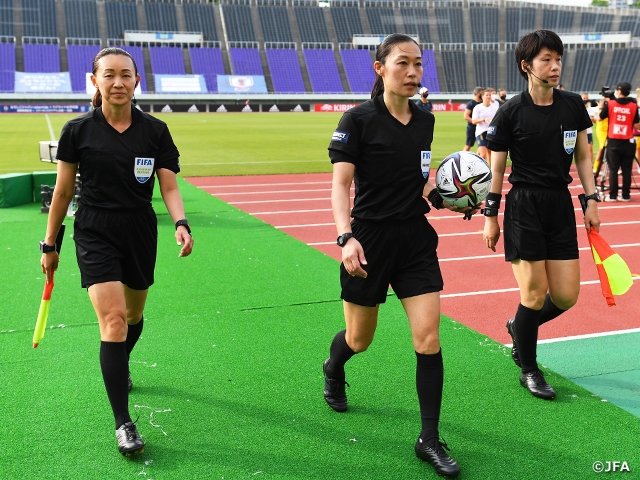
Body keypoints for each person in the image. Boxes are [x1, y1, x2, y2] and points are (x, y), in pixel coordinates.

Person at [323, 33, 476, 478]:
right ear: (380, 68)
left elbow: (422, 179)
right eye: (403, 63)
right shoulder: (357, 120)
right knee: (359, 339)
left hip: (414, 240)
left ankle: (429, 438)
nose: (412, 72)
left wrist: (449, 197)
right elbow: (340, 185)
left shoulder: (425, 120)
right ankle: (334, 366)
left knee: (428, 339)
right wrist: (344, 237)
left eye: (418, 65)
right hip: (368, 242)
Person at [40, 47, 194, 456]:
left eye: (126, 74)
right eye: (109, 75)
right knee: (112, 321)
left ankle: (118, 362)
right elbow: (63, 191)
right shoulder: (77, 131)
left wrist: (180, 223)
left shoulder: (155, 130)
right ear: (95, 81)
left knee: (133, 316)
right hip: (94, 229)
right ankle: (123, 423)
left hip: (139, 228)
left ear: (137, 81)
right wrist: (49, 243)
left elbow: (170, 185)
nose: (118, 82)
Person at [483, 30, 600, 400]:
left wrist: (592, 198)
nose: (555, 66)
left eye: (558, 58)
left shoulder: (571, 105)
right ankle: (529, 368)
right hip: (524, 205)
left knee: (565, 296)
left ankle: (519, 326)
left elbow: (582, 155)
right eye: (546, 60)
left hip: (560, 204)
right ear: (526, 66)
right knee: (533, 293)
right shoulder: (512, 111)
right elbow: (498, 169)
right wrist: (491, 214)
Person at [599, 82, 640, 202]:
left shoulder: (611, 104)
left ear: (620, 90)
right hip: (628, 141)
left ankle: (612, 195)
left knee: (613, 170)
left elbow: (600, 117)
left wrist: (602, 106)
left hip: (613, 141)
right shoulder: (633, 106)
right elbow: (637, 125)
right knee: (627, 170)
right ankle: (626, 195)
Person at [471, 89, 499, 165]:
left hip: (491, 131)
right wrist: (484, 119)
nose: (489, 97)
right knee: (483, 154)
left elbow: (498, 119)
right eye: (487, 95)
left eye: (490, 95)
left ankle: (490, 173)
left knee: (490, 154)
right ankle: (479, 171)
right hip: (481, 131)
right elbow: (474, 121)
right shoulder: (478, 107)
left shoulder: (495, 107)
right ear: (483, 97)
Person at [463, 87, 484, 151]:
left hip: (481, 127)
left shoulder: (482, 103)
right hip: (472, 127)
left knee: (482, 145)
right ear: (477, 93)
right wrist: (475, 121)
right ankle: (462, 158)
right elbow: (466, 116)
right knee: (469, 144)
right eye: (482, 93)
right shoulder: (471, 103)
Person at [581, 92, 597, 165]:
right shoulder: (578, 108)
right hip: (580, 132)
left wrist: (590, 119)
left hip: (588, 131)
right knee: (581, 150)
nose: (585, 99)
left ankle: (591, 164)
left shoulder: (590, 109)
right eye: (583, 98)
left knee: (590, 148)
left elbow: (595, 120)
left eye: (586, 98)